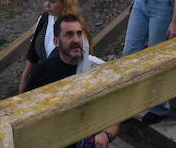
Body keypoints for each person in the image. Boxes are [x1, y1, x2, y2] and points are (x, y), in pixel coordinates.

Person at [22, 14, 120, 147]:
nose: (76, 40)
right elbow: (24, 114)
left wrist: (105, 135)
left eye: (79, 34)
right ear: (56, 42)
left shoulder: (96, 69)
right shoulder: (43, 71)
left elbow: (116, 113)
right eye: (69, 34)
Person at [18, 0, 86, 93]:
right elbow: (33, 53)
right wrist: (24, 78)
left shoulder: (74, 29)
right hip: (40, 77)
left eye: (52, 2)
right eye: (46, 0)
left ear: (64, 2)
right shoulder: (45, 18)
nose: (47, 5)